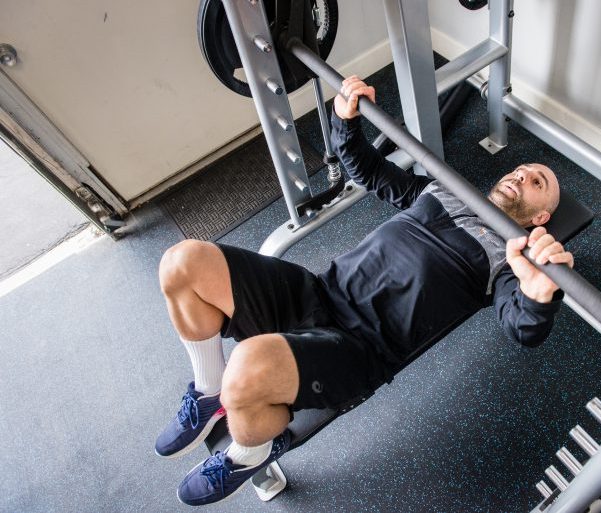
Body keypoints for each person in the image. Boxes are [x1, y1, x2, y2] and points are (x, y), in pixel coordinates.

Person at [155, 76, 574, 506]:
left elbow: (523, 327)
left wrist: (540, 293)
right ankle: (208, 393)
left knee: (244, 370)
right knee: (182, 262)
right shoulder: (443, 190)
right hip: (316, 292)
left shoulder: (506, 266)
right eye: (520, 170)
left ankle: (250, 452)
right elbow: (367, 169)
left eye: (536, 181)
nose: (520, 176)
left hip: (356, 349)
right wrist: (345, 119)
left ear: (540, 217)